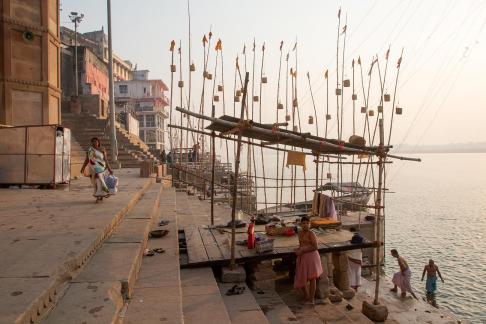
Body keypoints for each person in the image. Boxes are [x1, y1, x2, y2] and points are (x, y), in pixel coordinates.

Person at [294, 216, 323, 305]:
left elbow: (315, 247)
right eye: (303, 223)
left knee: (312, 278)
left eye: (307, 223)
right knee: (300, 276)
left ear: (310, 224)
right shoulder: (300, 233)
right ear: (301, 224)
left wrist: (302, 250)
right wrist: (297, 249)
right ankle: (306, 296)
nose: (305, 225)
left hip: (312, 258)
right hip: (303, 258)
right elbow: (301, 244)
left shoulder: (311, 234)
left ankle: (311, 299)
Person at [81, 137, 112, 202]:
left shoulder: (102, 149)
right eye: (93, 142)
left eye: (96, 141)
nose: (94, 143)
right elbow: (87, 159)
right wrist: (83, 167)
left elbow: (105, 159)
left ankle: (99, 196)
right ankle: (100, 195)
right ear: (91, 143)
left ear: (98, 142)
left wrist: (109, 168)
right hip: (92, 168)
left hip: (101, 168)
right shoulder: (90, 150)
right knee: (95, 183)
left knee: (100, 181)